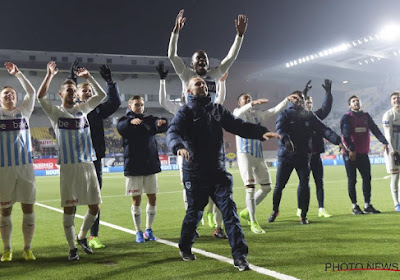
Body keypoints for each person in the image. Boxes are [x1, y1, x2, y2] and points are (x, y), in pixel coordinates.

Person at [166, 76, 280, 271]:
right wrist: (177, 146)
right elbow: (173, 132)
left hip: (218, 172)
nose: (202, 85)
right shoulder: (184, 112)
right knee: (194, 212)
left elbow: (238, 126)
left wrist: (260, 133)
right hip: (194, 172)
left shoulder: (217, 109)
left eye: (203, 83)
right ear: (189, 91)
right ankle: (185, 246)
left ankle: (240, 256)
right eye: (197, 84)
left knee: (230, 212)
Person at [38, 61, 106, 261]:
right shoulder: (56, 113)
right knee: (70, 208)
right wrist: (49, 75)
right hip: (68, 166)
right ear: (60, 94)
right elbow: (41, 97)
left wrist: (88, 77)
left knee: (95, 207)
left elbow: (101, 95)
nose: (71, 92)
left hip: (87, 164)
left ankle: (82, 237)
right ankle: (71, 248)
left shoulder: (83, 110)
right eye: (67, 90)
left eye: (73, 90)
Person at [157, 63, 228, 239]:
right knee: (190, 192)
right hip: (188, 155)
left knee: (218, 191)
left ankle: (218, 227)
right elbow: (163, 102)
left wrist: (222, 83)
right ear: (187, 93)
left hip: (211, 154)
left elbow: (220, 99)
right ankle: (193, 225)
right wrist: (162, 81)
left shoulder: (208, 108)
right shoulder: (181, 110)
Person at [268, 90, 342, 225]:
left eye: (301, 98)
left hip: (303, 156)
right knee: (279, 186)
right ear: (290, 100)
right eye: (296, 98)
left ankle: (303, 214)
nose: (299, 100)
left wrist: (338, 140)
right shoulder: (284, 114)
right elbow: (279, 130)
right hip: (286, 156)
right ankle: (275, 210)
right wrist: (286, 140)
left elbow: (324, 129)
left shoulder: (309, 116)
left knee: (304, 184)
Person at [69, 62, 121, 249]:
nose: (89, 93)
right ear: (77, 94)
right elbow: (66, 95)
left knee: (95, 199)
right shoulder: (70, 111)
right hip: (75, 160)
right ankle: (71, 235)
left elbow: (115, 103)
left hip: (95, 159)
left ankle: (93, 236)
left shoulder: (98, 110)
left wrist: (110, 82)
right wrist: (72, 79)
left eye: (90, 91)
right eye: (85, 91)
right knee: (72, 199)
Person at [233, 92, 296, 234]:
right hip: (245, 155)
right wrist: (252, 103)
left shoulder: (256, 115)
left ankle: (246, 212)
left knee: (267, 188)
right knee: (250, 188)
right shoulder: (238, 112)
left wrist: (286, 100)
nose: (248, 100)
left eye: (249, 98)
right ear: (239, 102)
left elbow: (273, 111)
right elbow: (238, 114)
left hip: (259, 156)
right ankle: (253, 222)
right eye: (245, 99)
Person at [117, 95, 168, 243]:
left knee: (152, 198)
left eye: (141, 105)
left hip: (151, 165)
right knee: (136, 200)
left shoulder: (149, 119)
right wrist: (130, 121)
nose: (140, 107)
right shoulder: (124, 121)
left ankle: (149, 229)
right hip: (134, 167)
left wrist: (161, 123)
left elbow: (163, 125)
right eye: (137, 105)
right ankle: (138, 231)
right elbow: (121, 127)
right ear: (130, 106)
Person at [168, 9, 247, 101]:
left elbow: (231, 58)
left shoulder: (214, 75)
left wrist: (239, 36)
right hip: (191, 114)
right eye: (198, 58)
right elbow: (172, 56)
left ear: (208, 64)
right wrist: (175, 32)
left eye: (204, 58)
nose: (202, 60)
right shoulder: (186, 74)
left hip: (210, 114)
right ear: (192, 64)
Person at [0, 62, 36, 261]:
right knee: (5, 209)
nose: (9, 95)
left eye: (12, 93)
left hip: (25, 168)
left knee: (28, 207)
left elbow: (31, 92)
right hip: (3, 169)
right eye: (5, 93)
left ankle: (27, 248)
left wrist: (18, 74)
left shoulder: (25, 112)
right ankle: (7, 249)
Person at [341, 95, 389, 215]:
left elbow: (375, 129)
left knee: (367, 178)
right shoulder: (346, 117)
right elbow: (345, 135)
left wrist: (384, 141)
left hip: (363, 153)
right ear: (349, 105)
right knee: (352, 180)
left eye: (358, 101)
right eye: (353, 101)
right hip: (350, 154)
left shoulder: (366, 116)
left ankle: (367, 205)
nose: (356, 102)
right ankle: (355, 206)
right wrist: (351, 149)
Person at [296, 80, 333, 218]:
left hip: (316, 155)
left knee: (319, 182)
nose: (309, 104)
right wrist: (304, 93)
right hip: (304, 156)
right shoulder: (298, 117)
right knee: (303, 183)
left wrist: (328, 94)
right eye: (307, 102)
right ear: (303, 103)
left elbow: (326, 108)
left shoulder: (316, 116)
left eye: (310, 102)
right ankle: (300, 208)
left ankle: (321, 208)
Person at [382, 91, 400, 211]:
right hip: (393, 151)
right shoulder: (388, 115)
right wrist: (395, 151)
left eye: (398, 98)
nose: (397, 100)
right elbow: (388, 136)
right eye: (394, 98)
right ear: (391, 101)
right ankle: (396, 203)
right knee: (395, 176)